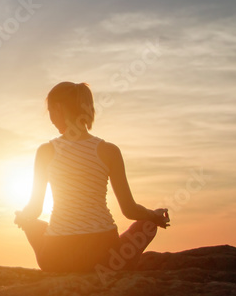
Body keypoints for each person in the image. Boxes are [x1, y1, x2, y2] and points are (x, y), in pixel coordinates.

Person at [14, 81, 169, 272]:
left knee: (33, 225)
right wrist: (154, 216)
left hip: (56, 260)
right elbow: (130, 210)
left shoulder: (46, 152)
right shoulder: (109, 151)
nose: (51, 120)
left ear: (58, 107)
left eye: (50, 112)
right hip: (107, 258)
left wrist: (22, 217)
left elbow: (35, 210)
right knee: (147, 225)